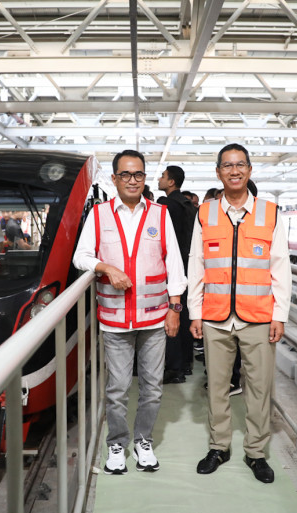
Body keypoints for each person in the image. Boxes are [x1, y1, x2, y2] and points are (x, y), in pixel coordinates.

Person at [73, 149, 186, 474]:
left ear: (144, 178)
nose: (132, 180)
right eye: (125, 174)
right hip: (115, 319)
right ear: (114, 179)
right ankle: (117, 444)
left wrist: (175, 308)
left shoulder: (160, 214)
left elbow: (174, 264)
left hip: (155, 317)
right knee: (118, 388)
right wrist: (106, 267)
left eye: (138, 174)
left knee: (152, 388)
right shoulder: (99, 215)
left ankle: (143, 440)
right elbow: (81, 256)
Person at [188, 143, 292, 484]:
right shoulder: (205, 213)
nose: (234, 171)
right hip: (215, 315)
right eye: (227, 165)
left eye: (240, 165)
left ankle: (256, 452)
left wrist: (280, 314)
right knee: (216, 387)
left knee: (259, 389)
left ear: (249, 170)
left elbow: (281, 267)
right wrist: (194, 311)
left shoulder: (270, 213)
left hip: (258, 316)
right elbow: (196, 265)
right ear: (218, 172)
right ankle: (218, 447)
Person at [156, 165, 197, 384]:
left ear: (171, 182)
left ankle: (174, 368)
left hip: (172, 270)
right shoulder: (189, 205)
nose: (159, 179)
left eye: (163, 176)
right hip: (188, 268)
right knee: (184, 313)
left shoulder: (166, 205)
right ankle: (186, 364)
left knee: (172, 314)